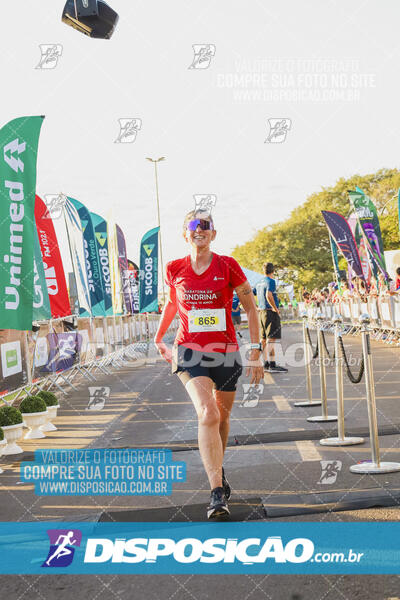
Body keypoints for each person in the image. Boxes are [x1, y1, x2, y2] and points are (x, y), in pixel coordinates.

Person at [154, 210, 264, 519]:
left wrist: (255, 349)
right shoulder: (173, 267)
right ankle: (217, 491)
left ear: (213, 234)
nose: (198, 230)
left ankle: (218, 471)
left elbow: (251, 308)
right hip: (189, 351)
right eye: (193, 225)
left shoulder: (227, 265)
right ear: (184, 233)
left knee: (222, 419)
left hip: (226, 351)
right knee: (208, 413)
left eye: (205, 226)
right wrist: (159, 337)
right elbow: (173, 303)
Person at [255, 262, 288, 372]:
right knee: (271, 339)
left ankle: (266, 364)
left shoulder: (259, 282)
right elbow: (268, 295)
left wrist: (256, 306)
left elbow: (250, 293)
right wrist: (275, 308)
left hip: (262, 312)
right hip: (269, 312)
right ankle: (272, 364)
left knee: (263, 339)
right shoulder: (271, 281)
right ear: (273, 271)